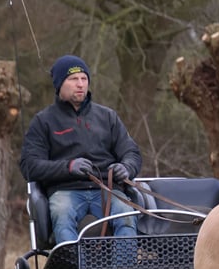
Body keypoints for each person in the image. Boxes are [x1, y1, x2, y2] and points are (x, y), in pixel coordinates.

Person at [20, 54, 142, 244]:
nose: (80, 84)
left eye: (84, 79)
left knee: (126, 214)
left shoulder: (108, 117)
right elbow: (29, 165)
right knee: (62, 214)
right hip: (65, 191)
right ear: (59, 84)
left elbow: (131, 152)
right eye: (73, 79)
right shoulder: (43, 121)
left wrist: (126, 167)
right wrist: (67, 167)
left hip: (106, 189)